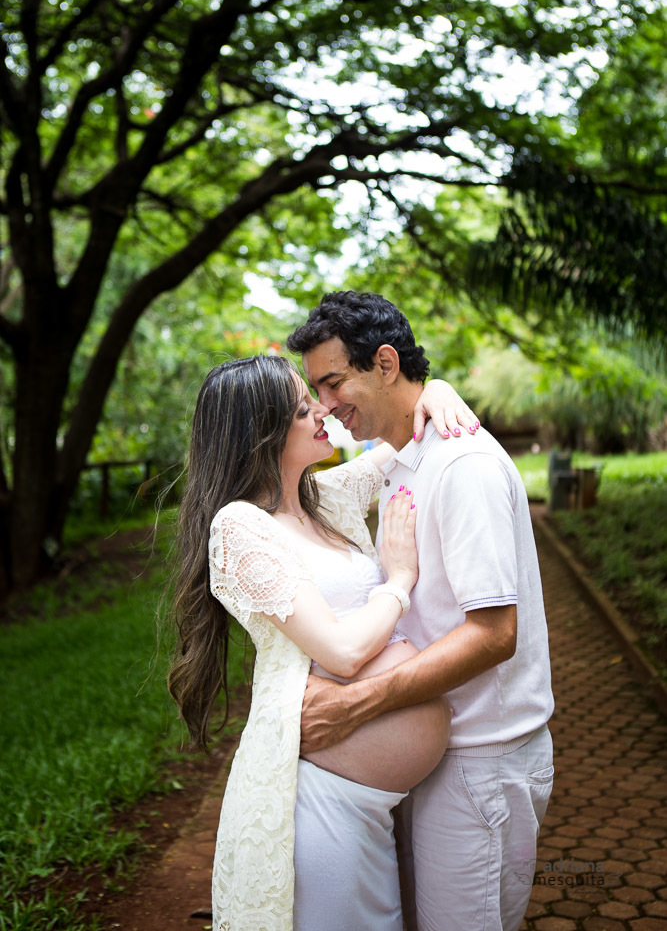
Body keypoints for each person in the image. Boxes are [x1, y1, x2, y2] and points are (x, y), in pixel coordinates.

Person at [168, 354, 478, 931]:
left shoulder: (325, 499)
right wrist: (399, 581)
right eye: (300, 408)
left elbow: (405, 435)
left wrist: (435, 388)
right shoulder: (240, 527)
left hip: (375, 801)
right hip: (322, 802)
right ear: (257, 432)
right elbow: (340, 651)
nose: (322, 411)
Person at [286, 291, 555, 931]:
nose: (325, 405)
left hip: (480, 764)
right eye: (316, 390)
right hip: (435, 763)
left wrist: (357, 704)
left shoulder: (462, 465)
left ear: (385, 363)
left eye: (332, 382)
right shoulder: (403, 460)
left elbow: (494, 635)